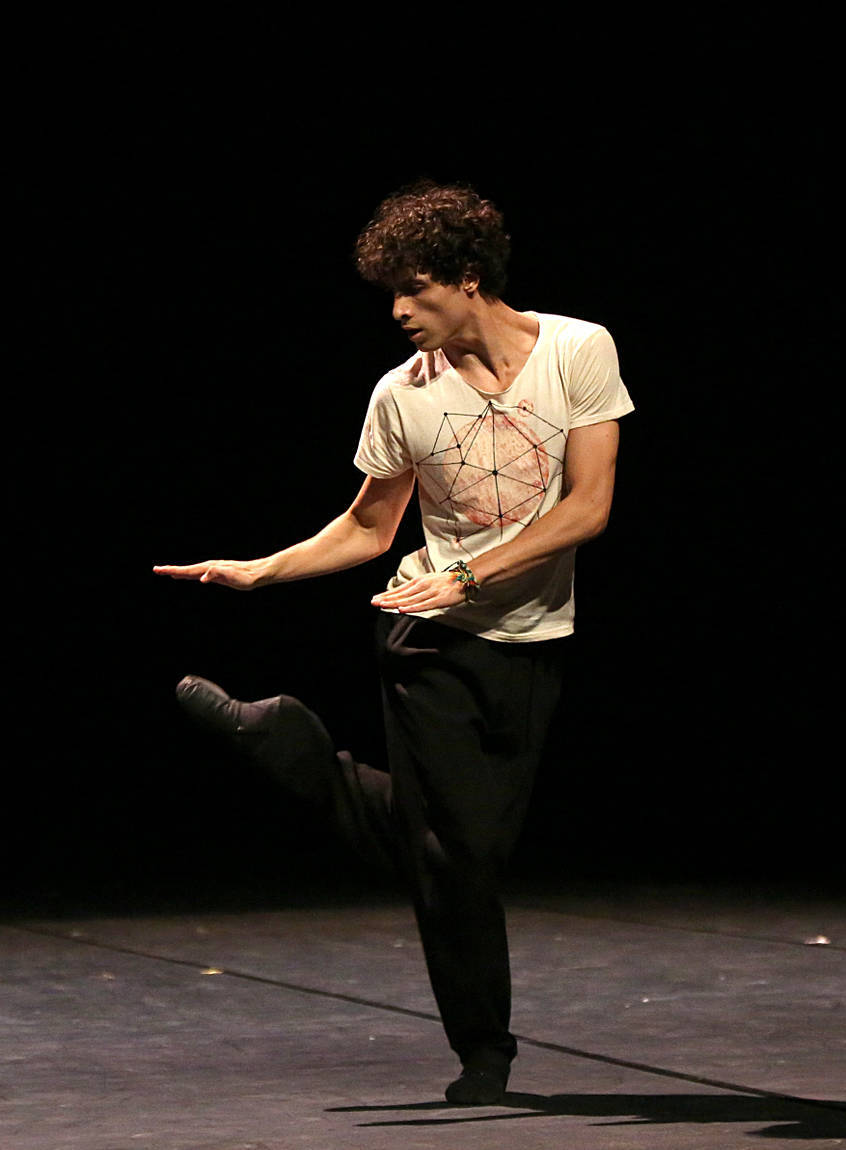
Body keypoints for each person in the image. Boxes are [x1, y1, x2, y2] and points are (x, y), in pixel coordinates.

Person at [153, 180, 634, 1105]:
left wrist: (471, 575)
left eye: (415, 289)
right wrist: (260, 570)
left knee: (465, 848)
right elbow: (371, 528)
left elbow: (589, 506)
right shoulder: (400, 394)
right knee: (453, 853)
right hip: (425, 636)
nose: (400, 311)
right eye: (392, 294)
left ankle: (298, 751)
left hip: (533, 635)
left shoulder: (578, 349)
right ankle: (484, 1052)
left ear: (468, 276)